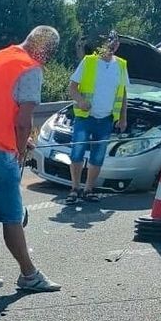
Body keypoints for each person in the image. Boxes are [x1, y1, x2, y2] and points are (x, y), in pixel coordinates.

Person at [0, 25, 62, 293]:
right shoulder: (30, 68)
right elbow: (22, 121)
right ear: (45, 50)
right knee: (12, 215)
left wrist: (18, 139)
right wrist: (19, 149)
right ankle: (29, 275)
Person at [65, 30, 128, 203]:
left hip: (106, 118)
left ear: (117, 45)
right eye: (109, 43)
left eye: (114, 43)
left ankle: (88, 189)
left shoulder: (121, 65)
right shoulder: (89, 61)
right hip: (85, 116)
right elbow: (72, 87)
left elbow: (123, 93)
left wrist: (123, 118)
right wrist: (80, 100)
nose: (111, 46)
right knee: (77, 152)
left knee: (98, 156)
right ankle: (75, 188)